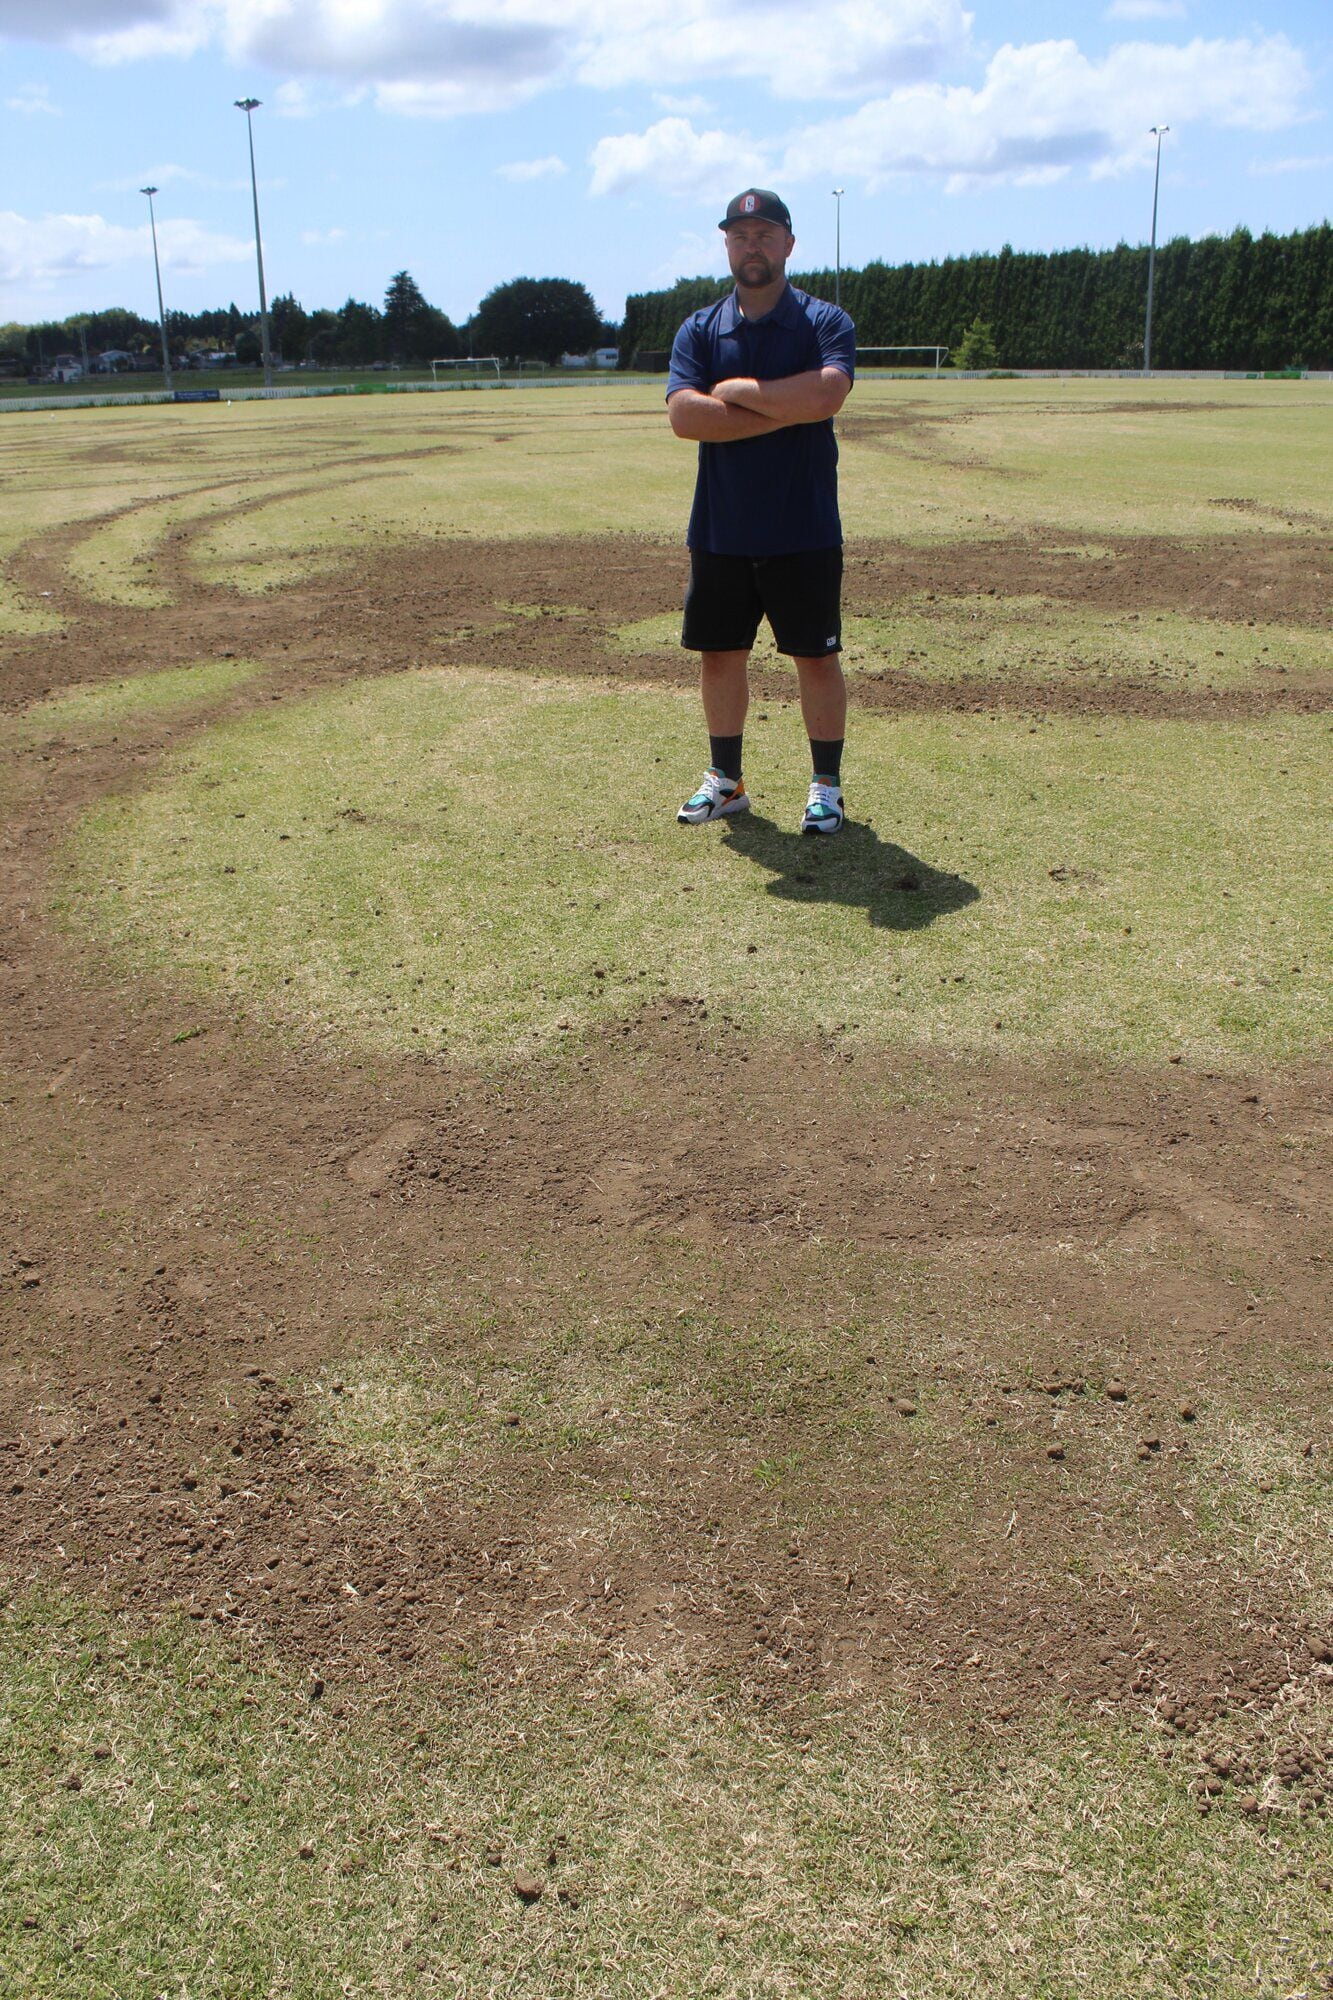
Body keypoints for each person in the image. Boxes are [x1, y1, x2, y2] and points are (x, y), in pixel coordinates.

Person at [666, 188, 855, 835]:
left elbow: (827, 394)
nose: (752, 245)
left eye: (764, 233)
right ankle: (726, 781)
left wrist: (742, 395)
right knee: (719, 655)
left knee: (815, 658)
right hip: (721, 530)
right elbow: (684, 416)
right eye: (740, 234)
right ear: (726, 244)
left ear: (788, 244)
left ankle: (824, 788)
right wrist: (782, 408)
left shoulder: (824, 323)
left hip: (803, 529)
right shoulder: (700, 328)